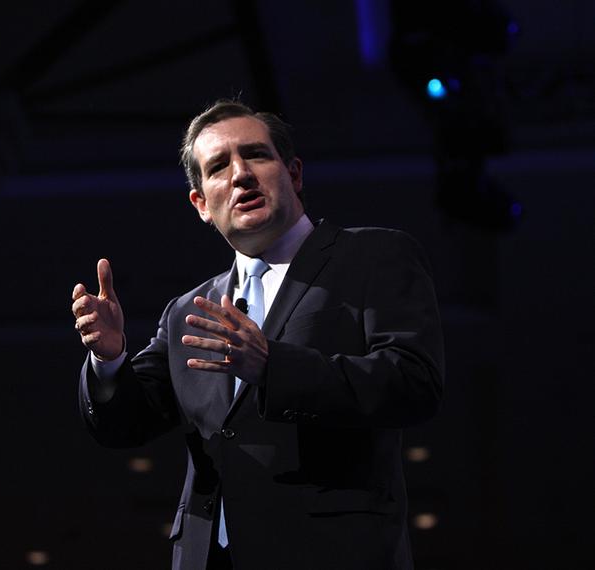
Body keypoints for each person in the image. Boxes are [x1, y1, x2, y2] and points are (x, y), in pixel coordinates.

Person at [71, 100, 444, 570]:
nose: (241, 174)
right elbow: (125, 424)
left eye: (257, 155)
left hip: (334, 552)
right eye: (219, 167)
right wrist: (110, 359)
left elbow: (414, 384)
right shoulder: (188, 310)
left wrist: (273, 367)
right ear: (202, 204)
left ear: (294, 174)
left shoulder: (373, 256)